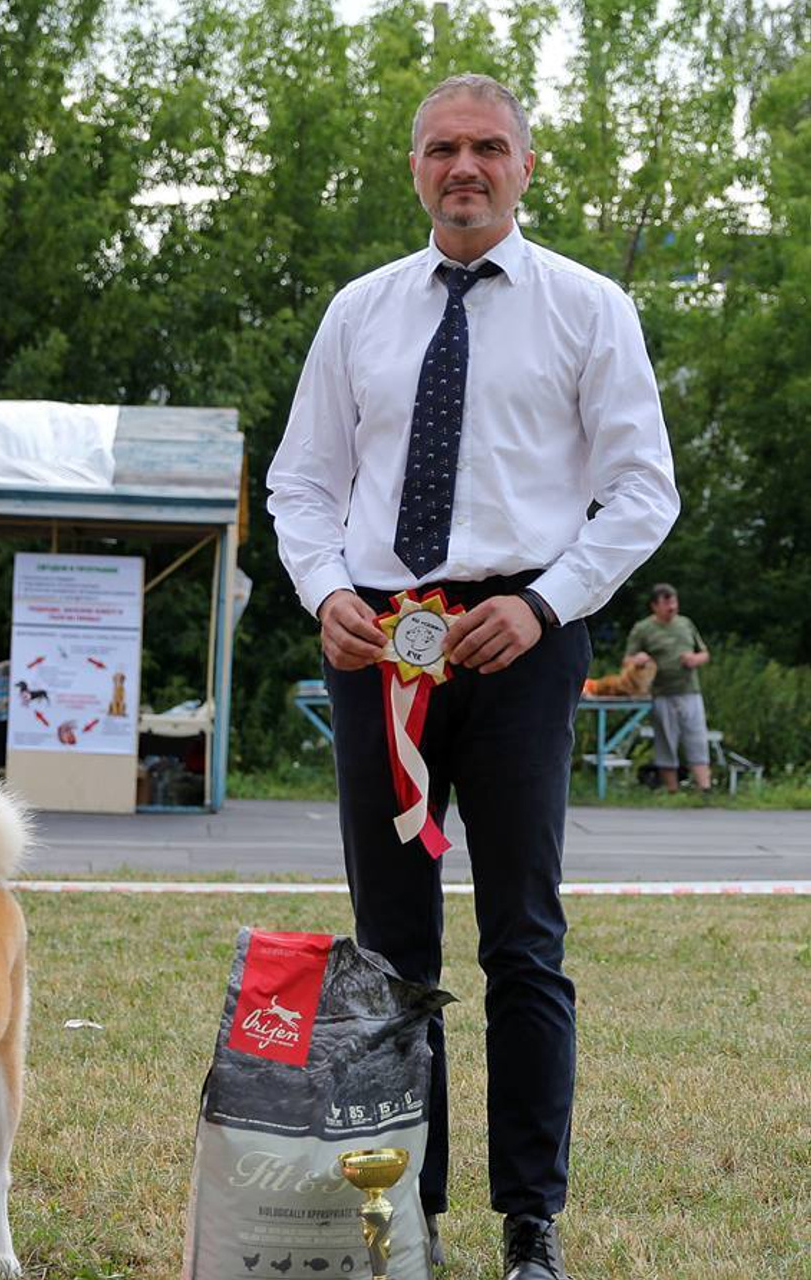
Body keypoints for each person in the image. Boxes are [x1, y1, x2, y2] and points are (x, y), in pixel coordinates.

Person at [267, 75, 679, 1280]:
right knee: (389, 950)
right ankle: (402, 1213)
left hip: (520, 638)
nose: (463, 166)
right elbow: (300, 483)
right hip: (377, 647)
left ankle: (528, 1223)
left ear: (524, 165)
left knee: (522, 941)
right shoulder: (358, 312)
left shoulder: (587, 309)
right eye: (441, 147)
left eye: (486, 147)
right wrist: (323, 590)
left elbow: (642, 487)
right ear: (411, 168)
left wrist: (545, 600)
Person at [625, 584, 712, 792]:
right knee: (666, 741)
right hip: (661, 692)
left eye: (674, 601)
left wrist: (694, 659)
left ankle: (705, 789)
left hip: (690, 690)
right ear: (654, 606)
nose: (672, 607)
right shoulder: (643, 628)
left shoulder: (686, 624)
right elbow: (627, 660)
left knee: (697, 738)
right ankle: (672, 791)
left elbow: (705, 653)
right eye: (666, 603)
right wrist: (639, 660)